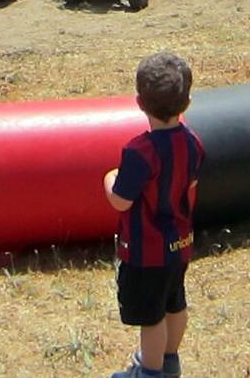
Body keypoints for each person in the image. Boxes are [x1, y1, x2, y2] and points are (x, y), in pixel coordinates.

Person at [103, 52, 204, 378]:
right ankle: (170, 360)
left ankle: (150, 370)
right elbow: (191, 182)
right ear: (187, 101)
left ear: (139, 102)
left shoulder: (139, 151)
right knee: (175, 303)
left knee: (151, 316)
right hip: (180, 244)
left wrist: (109, 178)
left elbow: (120, 202)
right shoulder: (193, 142)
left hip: (146, 252)